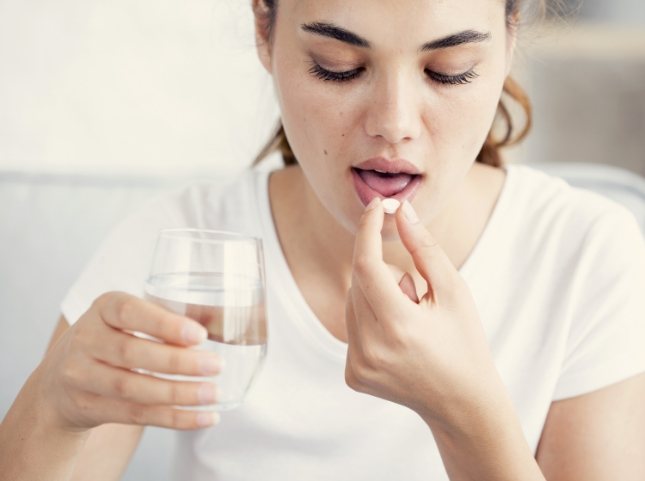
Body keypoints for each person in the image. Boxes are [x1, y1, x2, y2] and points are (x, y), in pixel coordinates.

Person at [2, 0, 644, 479]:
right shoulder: (179, 255)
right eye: (338, 67)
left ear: (508, 40)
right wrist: (55, 407)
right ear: (264, 29)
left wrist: (465, 413)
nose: (393, 125)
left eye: (448, 71)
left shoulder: (589, 257)